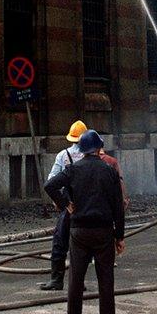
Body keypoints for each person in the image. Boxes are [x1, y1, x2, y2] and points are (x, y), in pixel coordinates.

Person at [44, 129, 126, 314]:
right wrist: (120, 236)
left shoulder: (72, 170)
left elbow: (50, 185)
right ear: (99, 148)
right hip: (103, 231)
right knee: (106, 280)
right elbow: (118, 206)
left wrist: (65, 204)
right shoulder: (109, 171)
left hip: (78, 231)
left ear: (81, 149)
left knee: (76, 278)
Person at [40, 119, 87, 290]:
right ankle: (79, 282)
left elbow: (51, 181)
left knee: (60, 241)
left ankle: (56, 280)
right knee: (82, 244)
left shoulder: (63, 155)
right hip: (88, 204)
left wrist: (62, 202)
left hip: (70, 205)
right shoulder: (92, 155)